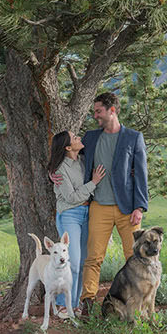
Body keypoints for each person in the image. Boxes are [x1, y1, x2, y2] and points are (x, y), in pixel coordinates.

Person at [76, 90, 149, 308]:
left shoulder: (133, 137)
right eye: (94, 111)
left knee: (135, 258)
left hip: (128, 209)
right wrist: (56, 171)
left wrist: (139, 207)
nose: (95, 115)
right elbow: (72, 159)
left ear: (112, 110)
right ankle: (88, 302)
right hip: (99, 206)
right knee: (93, 257)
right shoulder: (90, 137)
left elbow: (141, 173)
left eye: (98, 111)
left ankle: (137, 303)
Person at [45, 130, 106, 315]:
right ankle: (63, 305)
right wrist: (94, 182)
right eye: (74, 138)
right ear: (67, 147)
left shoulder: (83, 160)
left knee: (82, 263)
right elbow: (71, 197)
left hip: (88, 212)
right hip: (70, 214)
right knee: (71, 261)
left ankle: (75, 304)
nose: (78, 138)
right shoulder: (59, 169)